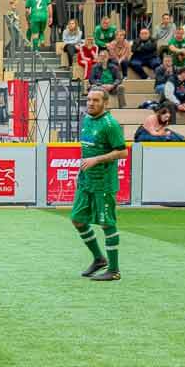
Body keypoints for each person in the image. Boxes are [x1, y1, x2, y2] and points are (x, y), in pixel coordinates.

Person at [73, 86, 127, 282]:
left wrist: (96, 160)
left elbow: (122, 152)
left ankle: (114, 270)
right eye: (89, 99)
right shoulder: (87, 119)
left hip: (103, 182)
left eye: (95, 100)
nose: (91, 103)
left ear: (105, 103)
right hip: (86, 181)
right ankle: (99, 259)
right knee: (77, 219)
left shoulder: (110, 125)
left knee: (106, 223)